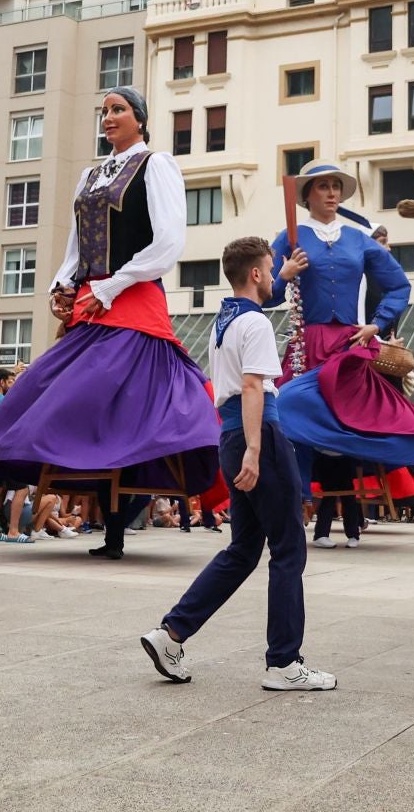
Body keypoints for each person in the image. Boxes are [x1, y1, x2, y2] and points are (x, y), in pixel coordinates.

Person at [0, 87, 219, 562]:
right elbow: (75, 246)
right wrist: (62, 286)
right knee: (54, 394)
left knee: (121, 412)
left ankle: (117, 530)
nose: (108, 118)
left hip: (134, 301)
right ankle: (105, 523)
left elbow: (169, 242)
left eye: (119, 109)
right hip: (92, 304)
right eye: (105, 111)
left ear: (140, 119)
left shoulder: (156, 165)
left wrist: (115, 284)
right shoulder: (89, 176)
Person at [140, 235, 335, 691]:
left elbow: (249, 336)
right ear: (255, 273)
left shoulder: (225, 319)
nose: (275, 276)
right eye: (270, 270)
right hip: (257, 435)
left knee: (244, 549)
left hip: (229, 435)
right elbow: (253, 386)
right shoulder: (257, 326)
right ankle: (285, 663)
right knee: (288, 548)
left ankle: (171, 634)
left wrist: (244, 446)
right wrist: (255, 449)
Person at [266, 161, 414, 547]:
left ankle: (349, 518)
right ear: (307, 194)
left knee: (352, 425)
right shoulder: (289, 236)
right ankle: (304, 511)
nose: (331, 193)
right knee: (296, 423)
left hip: (350, 345)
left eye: (335, 186)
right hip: (307, 346)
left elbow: (399, 286)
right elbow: (269, 295)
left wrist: (377, 324)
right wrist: (285, 273)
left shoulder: (359, 239)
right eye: (322, 187)